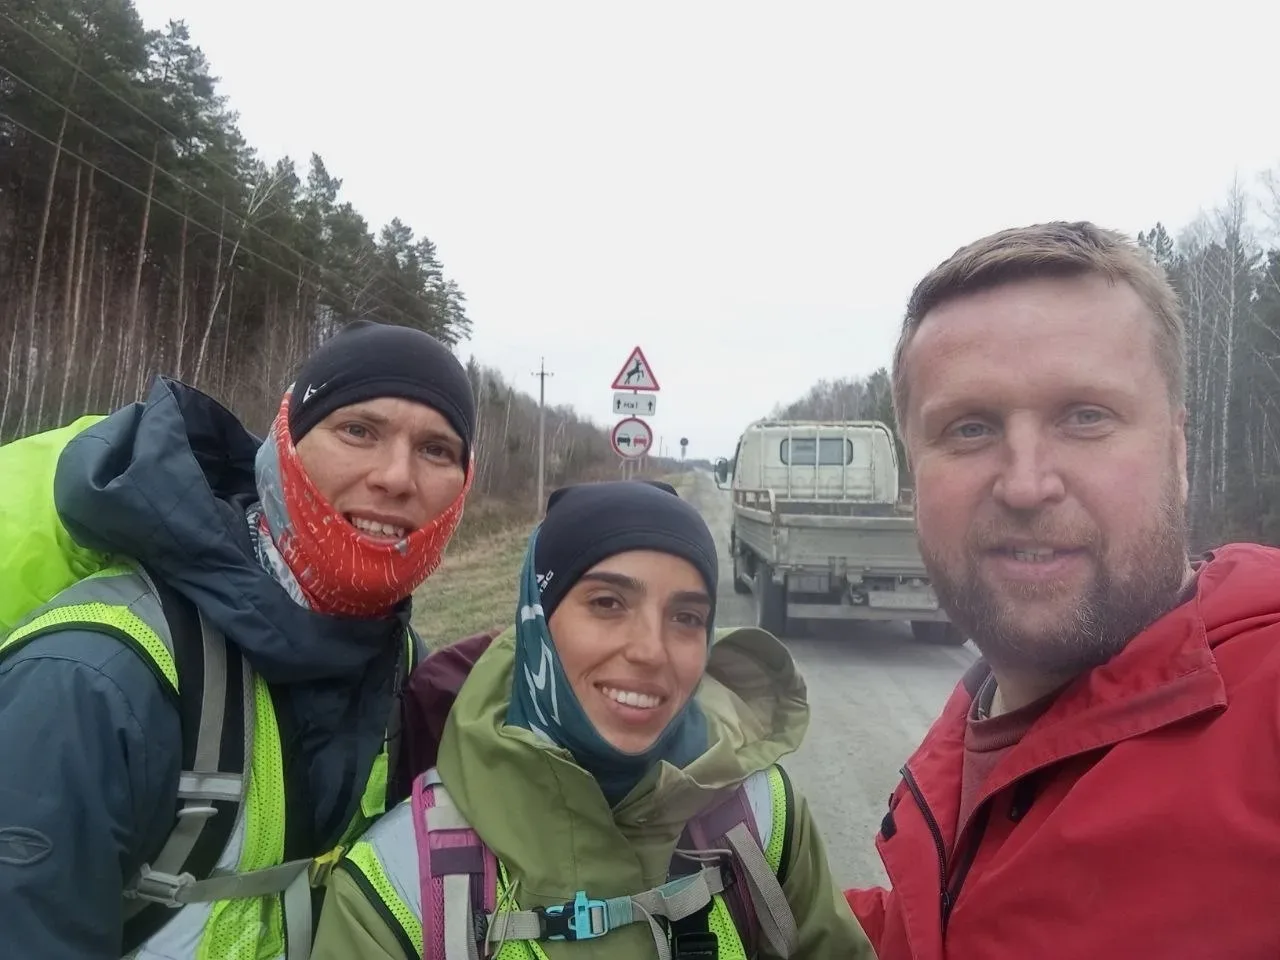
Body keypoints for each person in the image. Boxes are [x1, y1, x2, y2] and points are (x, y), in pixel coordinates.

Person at [844, 221, 1280, 959]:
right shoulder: (964, 742)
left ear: (1177, 452)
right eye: (970, 429)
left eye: (1085, 417)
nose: (1026, 484)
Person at [0, 319, 476, 959]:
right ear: (286, 447)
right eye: (358, 431)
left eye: (437, 450)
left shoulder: (403, 667)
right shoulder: (95, 677)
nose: (397, 476)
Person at [311, 479, 875, 960]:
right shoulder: (398, 886)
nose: (651, 651)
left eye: (686, 617)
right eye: (608, 603)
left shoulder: (762, 818)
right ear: (536, 621)